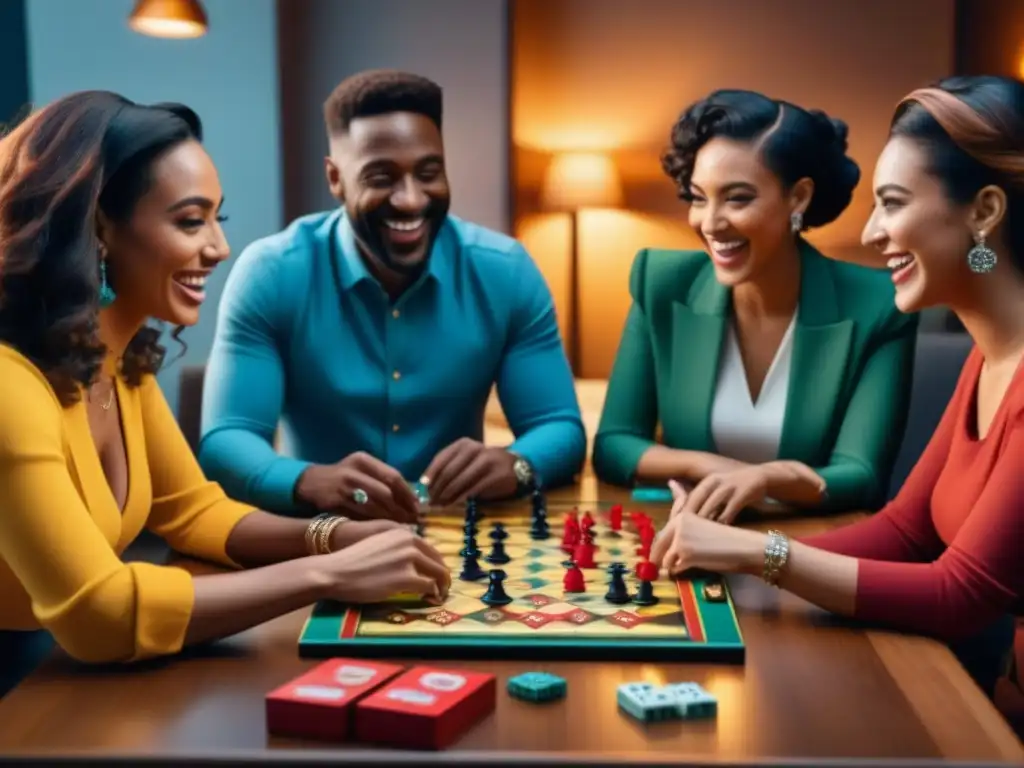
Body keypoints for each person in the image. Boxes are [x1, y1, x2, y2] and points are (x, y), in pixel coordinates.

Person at [0, 91, 450, 697]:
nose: (219, 248)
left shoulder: (114, 363)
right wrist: (328, 572)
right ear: (100, 228)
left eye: (218, 219)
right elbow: (97, 615)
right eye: (190, 221)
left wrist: (334, 532)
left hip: (58, 674)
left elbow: (192, 512)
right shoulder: (10, 387)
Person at [652, 75, 1024, 697]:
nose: (874, 232)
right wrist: (737, 550)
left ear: (984, 212)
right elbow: (907, 531)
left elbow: (960, 596)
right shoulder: (986, 359)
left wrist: (756, 557)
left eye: (895, 203)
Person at [198, 69, 585, 520]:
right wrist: (307, 481)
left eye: (429, 173)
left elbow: (560, 427)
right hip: (315, 535)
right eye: (382, 177)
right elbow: (226, 440)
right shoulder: (271, 273)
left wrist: (518, 464)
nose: (411, 199)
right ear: (335, 178)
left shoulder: (506, 271)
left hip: (462, 532)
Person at [593, 89, 918, 520]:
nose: (710, 223)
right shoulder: (661, 282)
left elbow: (861, 476)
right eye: (697, 196)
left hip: (807, 552)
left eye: (738, 198)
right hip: (688, 543)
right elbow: (614, 444)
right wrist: (710, 469)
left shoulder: (878, 305)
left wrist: (763, 480)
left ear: (798, 198)